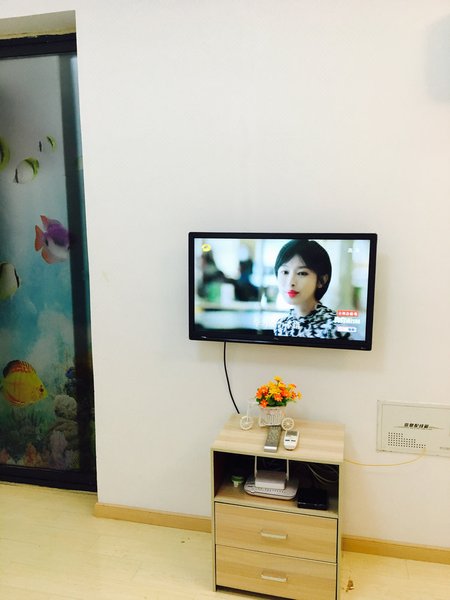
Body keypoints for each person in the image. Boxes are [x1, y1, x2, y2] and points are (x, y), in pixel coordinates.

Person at [274, 239, 348, 339]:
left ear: (321, 280)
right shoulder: (282, 325)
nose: (291, 282)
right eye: (285, 272)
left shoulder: (334, 326)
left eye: (302, 273)